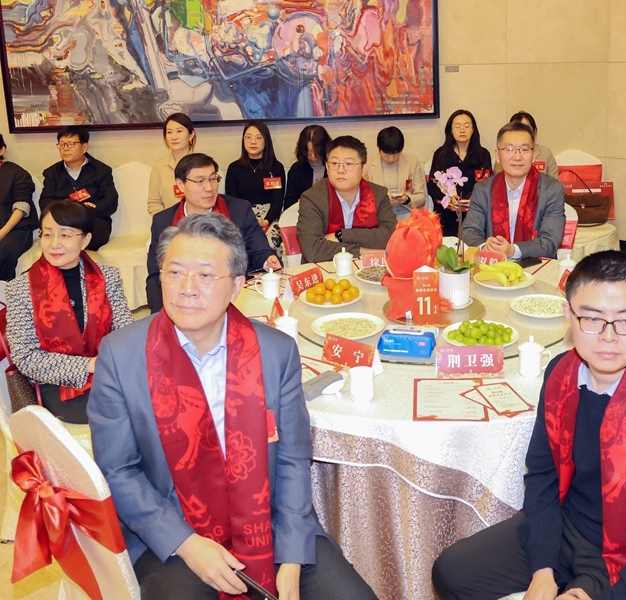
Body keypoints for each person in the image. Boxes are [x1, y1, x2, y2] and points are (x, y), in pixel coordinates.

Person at [88, 213, 377, 600]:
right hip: (172, 529)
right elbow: (118, 470)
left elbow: (292, 459)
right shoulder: (121, 355)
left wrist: (291, 559)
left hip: (268, 520)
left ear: (237, 285)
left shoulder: (275, 353)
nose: (187, 289)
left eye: (206, 275)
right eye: (174, 272)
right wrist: (187, 544)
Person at [433, 251, 626, 600]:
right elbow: (542, 476)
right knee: (452, 572)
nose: (609, 336)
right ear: (569, 315)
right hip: (568, 524)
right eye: (592, 318)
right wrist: (542, 569)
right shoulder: (561, 374)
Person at [6, 201, 132, 424]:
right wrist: (89, 365)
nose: (54, 244)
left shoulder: (107, 277)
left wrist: (111, 363)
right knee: (121, 410)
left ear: (85, 240)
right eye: (47, 234)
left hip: (109, 370)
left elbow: (125, 332)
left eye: (65, 235)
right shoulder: (21, 289)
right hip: (58, 382)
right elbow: (25, 357)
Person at [146, 153, 279, 312]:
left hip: (233, 298)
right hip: (185, 298)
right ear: (181, 185)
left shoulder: (239, 209)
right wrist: (160, 315)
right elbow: (155, 276)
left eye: (213, 179)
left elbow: (260, 250)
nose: (209, 188)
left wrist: (267, 260)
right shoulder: (163, 221)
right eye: (200, 181)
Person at [462, 122, 566, 260]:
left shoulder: (551, 190)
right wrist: (485, 247)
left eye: (524, 149)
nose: (517, 157)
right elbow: (469, 231)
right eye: (509, 149)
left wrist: (512, 250)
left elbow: (550, 242)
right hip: (492, 267)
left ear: (534, 155)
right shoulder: (483, 190)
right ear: (497, 155)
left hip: (535, 267)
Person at [296, 135, 397, 263]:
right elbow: (313, 249)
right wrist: (361, 251)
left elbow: (391, 236)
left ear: (364, 169)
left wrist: (341, 235)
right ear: (327, 166)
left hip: (369, 268)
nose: (341, 170)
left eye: (349, 164)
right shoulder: (312, 198)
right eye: (335, 163)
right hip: (324, 269)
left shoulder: (378, 194)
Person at [39, 126, 118, 250]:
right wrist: (67, 210)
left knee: (76, 235)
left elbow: (111, 202)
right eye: (62, 144)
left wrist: (90, 210)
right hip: (62, 222)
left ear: (84, 147)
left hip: (93, 222)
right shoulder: (52, 173)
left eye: (71, 144)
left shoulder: (102, 171)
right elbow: (45, 201)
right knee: (57, 233)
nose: (65, 148)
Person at [427, 109, 493, 236]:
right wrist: (448, 198)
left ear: (473, 130)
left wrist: (474, 199)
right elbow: (432, 186)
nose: (462, 130)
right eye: (457, 126)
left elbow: (489, 185)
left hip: (475, 212)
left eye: (466, 126)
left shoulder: (483, 154)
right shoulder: (441, 154)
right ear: (451, 130)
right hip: (448, 214)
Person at [225, 120, 287, 234]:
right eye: (248, 137)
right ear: (243, 140)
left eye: (258, 138)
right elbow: (232, 202)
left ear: (266, 141)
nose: (253, 142)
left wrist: (266, 220)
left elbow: (277, 201)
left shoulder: (276, 168)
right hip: (243, 217)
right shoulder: (234, 168)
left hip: (269, 217)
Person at [365, 126, 428, 221]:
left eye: (396, 154)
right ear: (378, 148)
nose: (391, 159)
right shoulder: (368, 165)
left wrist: (406, 199)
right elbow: (363, 198)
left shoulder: (412, 162)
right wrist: (383, 200)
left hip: (407, 212)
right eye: (386, 155)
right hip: (379, 214)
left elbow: (421, 197)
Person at [0, 134, 37, 280]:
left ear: (2, 150)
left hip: (16, 228)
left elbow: (21, 207)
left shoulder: (17, 173)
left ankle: (4, 291)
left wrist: (2, 233)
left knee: (3, 255)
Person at [148, 113, 197, 215]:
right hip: (169, 223)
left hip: (198, 222)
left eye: (179, 131)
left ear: (191, 135)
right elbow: (154, 203)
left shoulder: (204, 165)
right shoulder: (159, 166)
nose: (174, 137)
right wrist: (164, 221)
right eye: (169, 132)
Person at [494, 111, 559, 179]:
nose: (521, 132)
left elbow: (554, 181)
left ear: (534, 131)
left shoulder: (546, 153)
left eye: (526, 128)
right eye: (517, 128)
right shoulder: (502, 153)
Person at [284, 124, 331, 212]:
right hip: (303, 214)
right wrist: (298, 203)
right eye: (309, 153)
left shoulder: (333, 167)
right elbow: (289, 201)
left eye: (317, 153)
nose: (313, 156)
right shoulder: (297, 169)